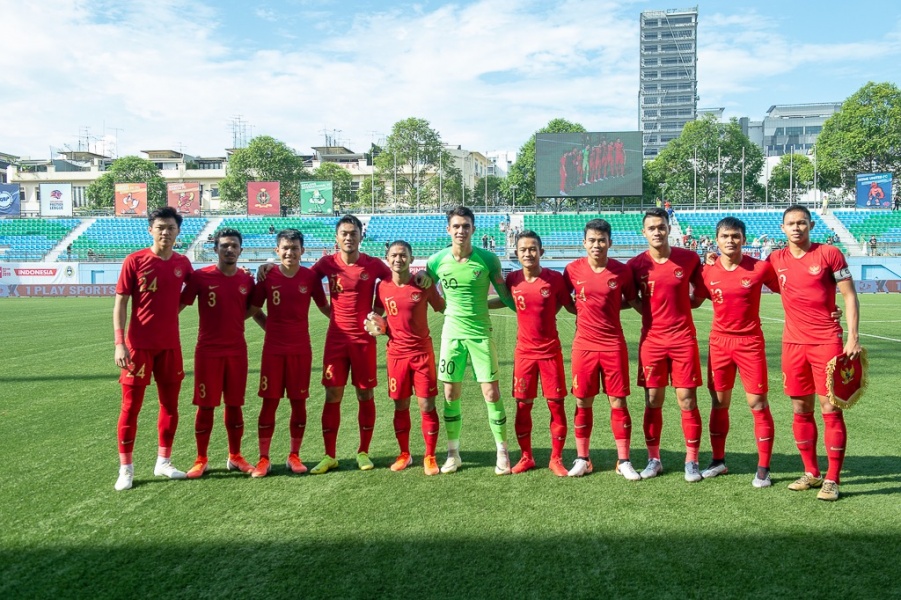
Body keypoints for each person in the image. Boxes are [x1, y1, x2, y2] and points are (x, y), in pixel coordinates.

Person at [769, 204, 860, 501]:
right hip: (792, 344)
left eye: (802, 223)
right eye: (791, 223)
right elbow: (749, 273)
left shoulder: (829, 254)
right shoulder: (775, 259)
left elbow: (848, 295)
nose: (796, 228)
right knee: (800, 409)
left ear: (811, 226)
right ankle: (811, 472)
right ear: (782, 228)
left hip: (826, 343)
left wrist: (852, 336)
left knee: (830, 409)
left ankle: (833, 479)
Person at [426, 206, 516, 475]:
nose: (461, 231)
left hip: (480, 335)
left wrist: (531, 310)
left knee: (491, 393)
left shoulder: (488, 260)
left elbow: (507, 295)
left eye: (466, 226)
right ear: (448, 230)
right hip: (451, 336)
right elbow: (420, 286)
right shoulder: (436, 261)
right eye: (456, 226)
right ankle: (453, 453)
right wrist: (438, 304)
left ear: (473, 229)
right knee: (451, 394)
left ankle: (502, 451)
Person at [693, 217, 780, 487]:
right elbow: (694, 301)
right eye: (725, 236)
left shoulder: (760, 268)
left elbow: (790, 291)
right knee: (719, 403)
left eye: (736, 236)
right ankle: (718, 461)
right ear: (716, 240)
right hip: (719, 343)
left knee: (758, 403)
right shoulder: (706, 271)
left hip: (750, 343)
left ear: (743, 239)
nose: (730, 241)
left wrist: (827, 308)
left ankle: (763, 468)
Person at [112, 206, 194, 491]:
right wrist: (119, 343)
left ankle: (163, 462)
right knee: (131, 407)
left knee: (170, 406)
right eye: (160, 227)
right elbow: (120, 303)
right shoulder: (134, 260)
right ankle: (126, 469)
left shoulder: (183, 263)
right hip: (138, 348)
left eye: (170, 227)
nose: (165, 232)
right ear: (150, 229)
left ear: (178, 231)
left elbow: (196, 289)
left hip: (170, 347)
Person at [309, 215, 393, 474]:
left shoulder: (373, 265)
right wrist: (326, 310)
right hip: (335, 340)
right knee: (333, 394)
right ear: (337, 237)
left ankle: (363, 451)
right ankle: (329, 455)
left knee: (364, 394)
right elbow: (306, 281)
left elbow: (391, 283)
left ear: (360, 236)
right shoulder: (326, 264)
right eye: (344, 233)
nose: (348, 237)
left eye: (353, 233)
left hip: (364, 341)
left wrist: (377, 315)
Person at [627, 207, 706, 482]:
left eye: (661, 226)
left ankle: (692, 460)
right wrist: (650, 315)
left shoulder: (689, 258)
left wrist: (684, 307)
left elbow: (701, 294)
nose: (657, 232)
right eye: (652, 228)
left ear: (669, 229)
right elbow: (631, 299)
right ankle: (654, 458)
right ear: (644, 232)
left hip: (683, 339)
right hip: (652, 341)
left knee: (687, 400)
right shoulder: (636, 265)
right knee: (652, 400)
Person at [247, 229, 329, 477]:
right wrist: (271, 328)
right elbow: (253, 310)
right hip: (272, 351)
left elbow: (325, 307)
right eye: (285, 248)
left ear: (302, 250)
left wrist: (351, 324)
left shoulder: (310, 277)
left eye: (294, 248)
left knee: (299, 403)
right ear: (277, 250)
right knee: (269, 403)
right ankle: (263, 458)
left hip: (301, 351)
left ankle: (294, 455)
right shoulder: (267, 276)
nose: (290, 252)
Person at [563, 219, 642, 480]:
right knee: (582, 400)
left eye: (602, 240)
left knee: (618, 401)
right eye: (592, 240)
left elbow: (632, 301)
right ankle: (583, 458)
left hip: (613, 345)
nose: (597, 245)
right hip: (583, 345)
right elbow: (568, 302)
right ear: (583, 242)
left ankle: (623, 460)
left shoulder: (622, 271)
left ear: (610, 242)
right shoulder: (572, 270)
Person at [179, 228, 258, 478]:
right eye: (224, 245)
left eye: (234, 245)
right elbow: (177, 307)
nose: (229, 249)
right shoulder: (201, 277)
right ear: (215, 249)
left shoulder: (247, 279)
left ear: (241, 250)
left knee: (235, 405)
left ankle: (235, 456)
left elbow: (250, 310)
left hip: (237, 351)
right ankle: (201, 458)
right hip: (208, 352)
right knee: (206, 406)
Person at [369, 241, 446, 475]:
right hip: (396, 355)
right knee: (400, 404)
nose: (398, 259)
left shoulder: (423, 284)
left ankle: (430, 456)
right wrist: (375, 326)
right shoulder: (382, 287)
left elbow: (443, 307)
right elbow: (375, 315)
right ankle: (404, 454)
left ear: (412, 259)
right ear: (387, 258)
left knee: (426, 404)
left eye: (403, 255)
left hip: (422, 353)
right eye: (393, 255)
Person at [505, 231, 573, 476]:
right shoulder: (511, 280)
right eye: (523, 249)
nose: (528, 253)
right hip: (524, 354)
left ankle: (556, 459)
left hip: (550, 353)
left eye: (532, 249)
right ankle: (526, 457)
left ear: (541, 252)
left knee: (556, 405)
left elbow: (571, 306)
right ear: (516, 253)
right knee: (523, 406)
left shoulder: (554, 279)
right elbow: (502, 301)